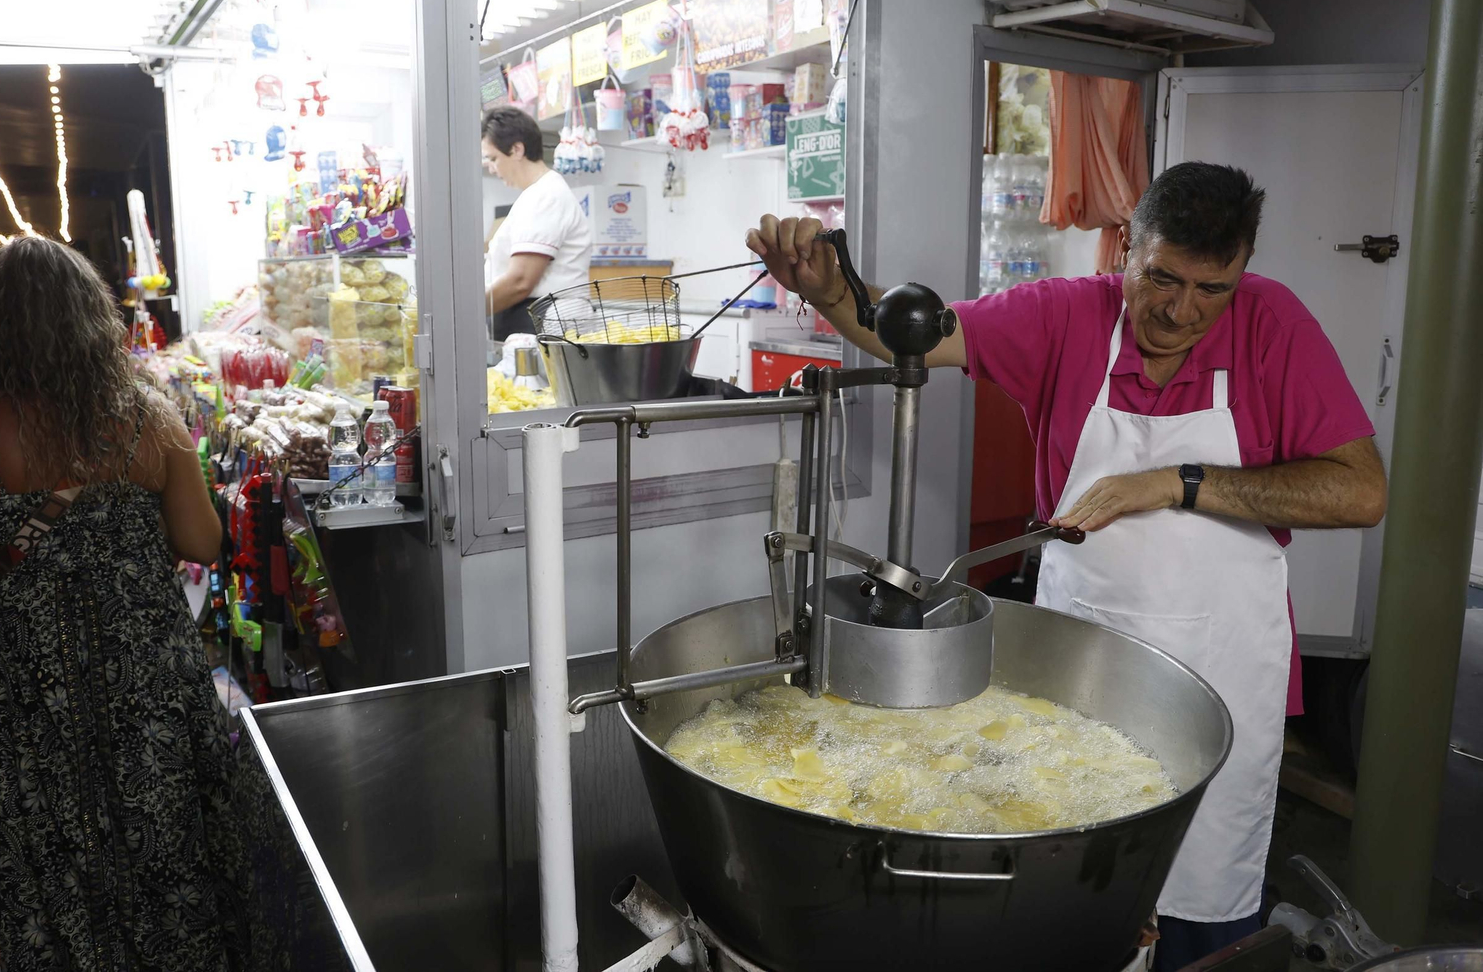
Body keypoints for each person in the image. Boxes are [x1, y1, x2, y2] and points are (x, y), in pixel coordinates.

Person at [747, 162, 1387, 970]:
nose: (1181, 311)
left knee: (1201, 900)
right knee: (1066, 896)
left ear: (1242, 273)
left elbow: (1360, 491)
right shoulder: (1064, 317)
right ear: (1127, 249)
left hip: (1222, 675)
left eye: (1211, 288)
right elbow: (907, 330)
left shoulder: (1272, 325)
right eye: (1160, 278)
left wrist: (1176, 482)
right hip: (1077, 673)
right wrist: (831, 291)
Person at [0, 236, 256, 971]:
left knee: (51, 840)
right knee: (163, 830)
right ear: (93, 317)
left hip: (26, 679)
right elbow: (200, 541)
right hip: (146, 665)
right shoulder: (148, 415)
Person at [480, 106, 592, 339]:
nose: (491, 167)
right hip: (526, 321)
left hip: (543, 323)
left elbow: (521, 281)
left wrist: (465, 313)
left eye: (493, 158)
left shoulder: (546, 195)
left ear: (517, 149)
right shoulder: (535, 195)